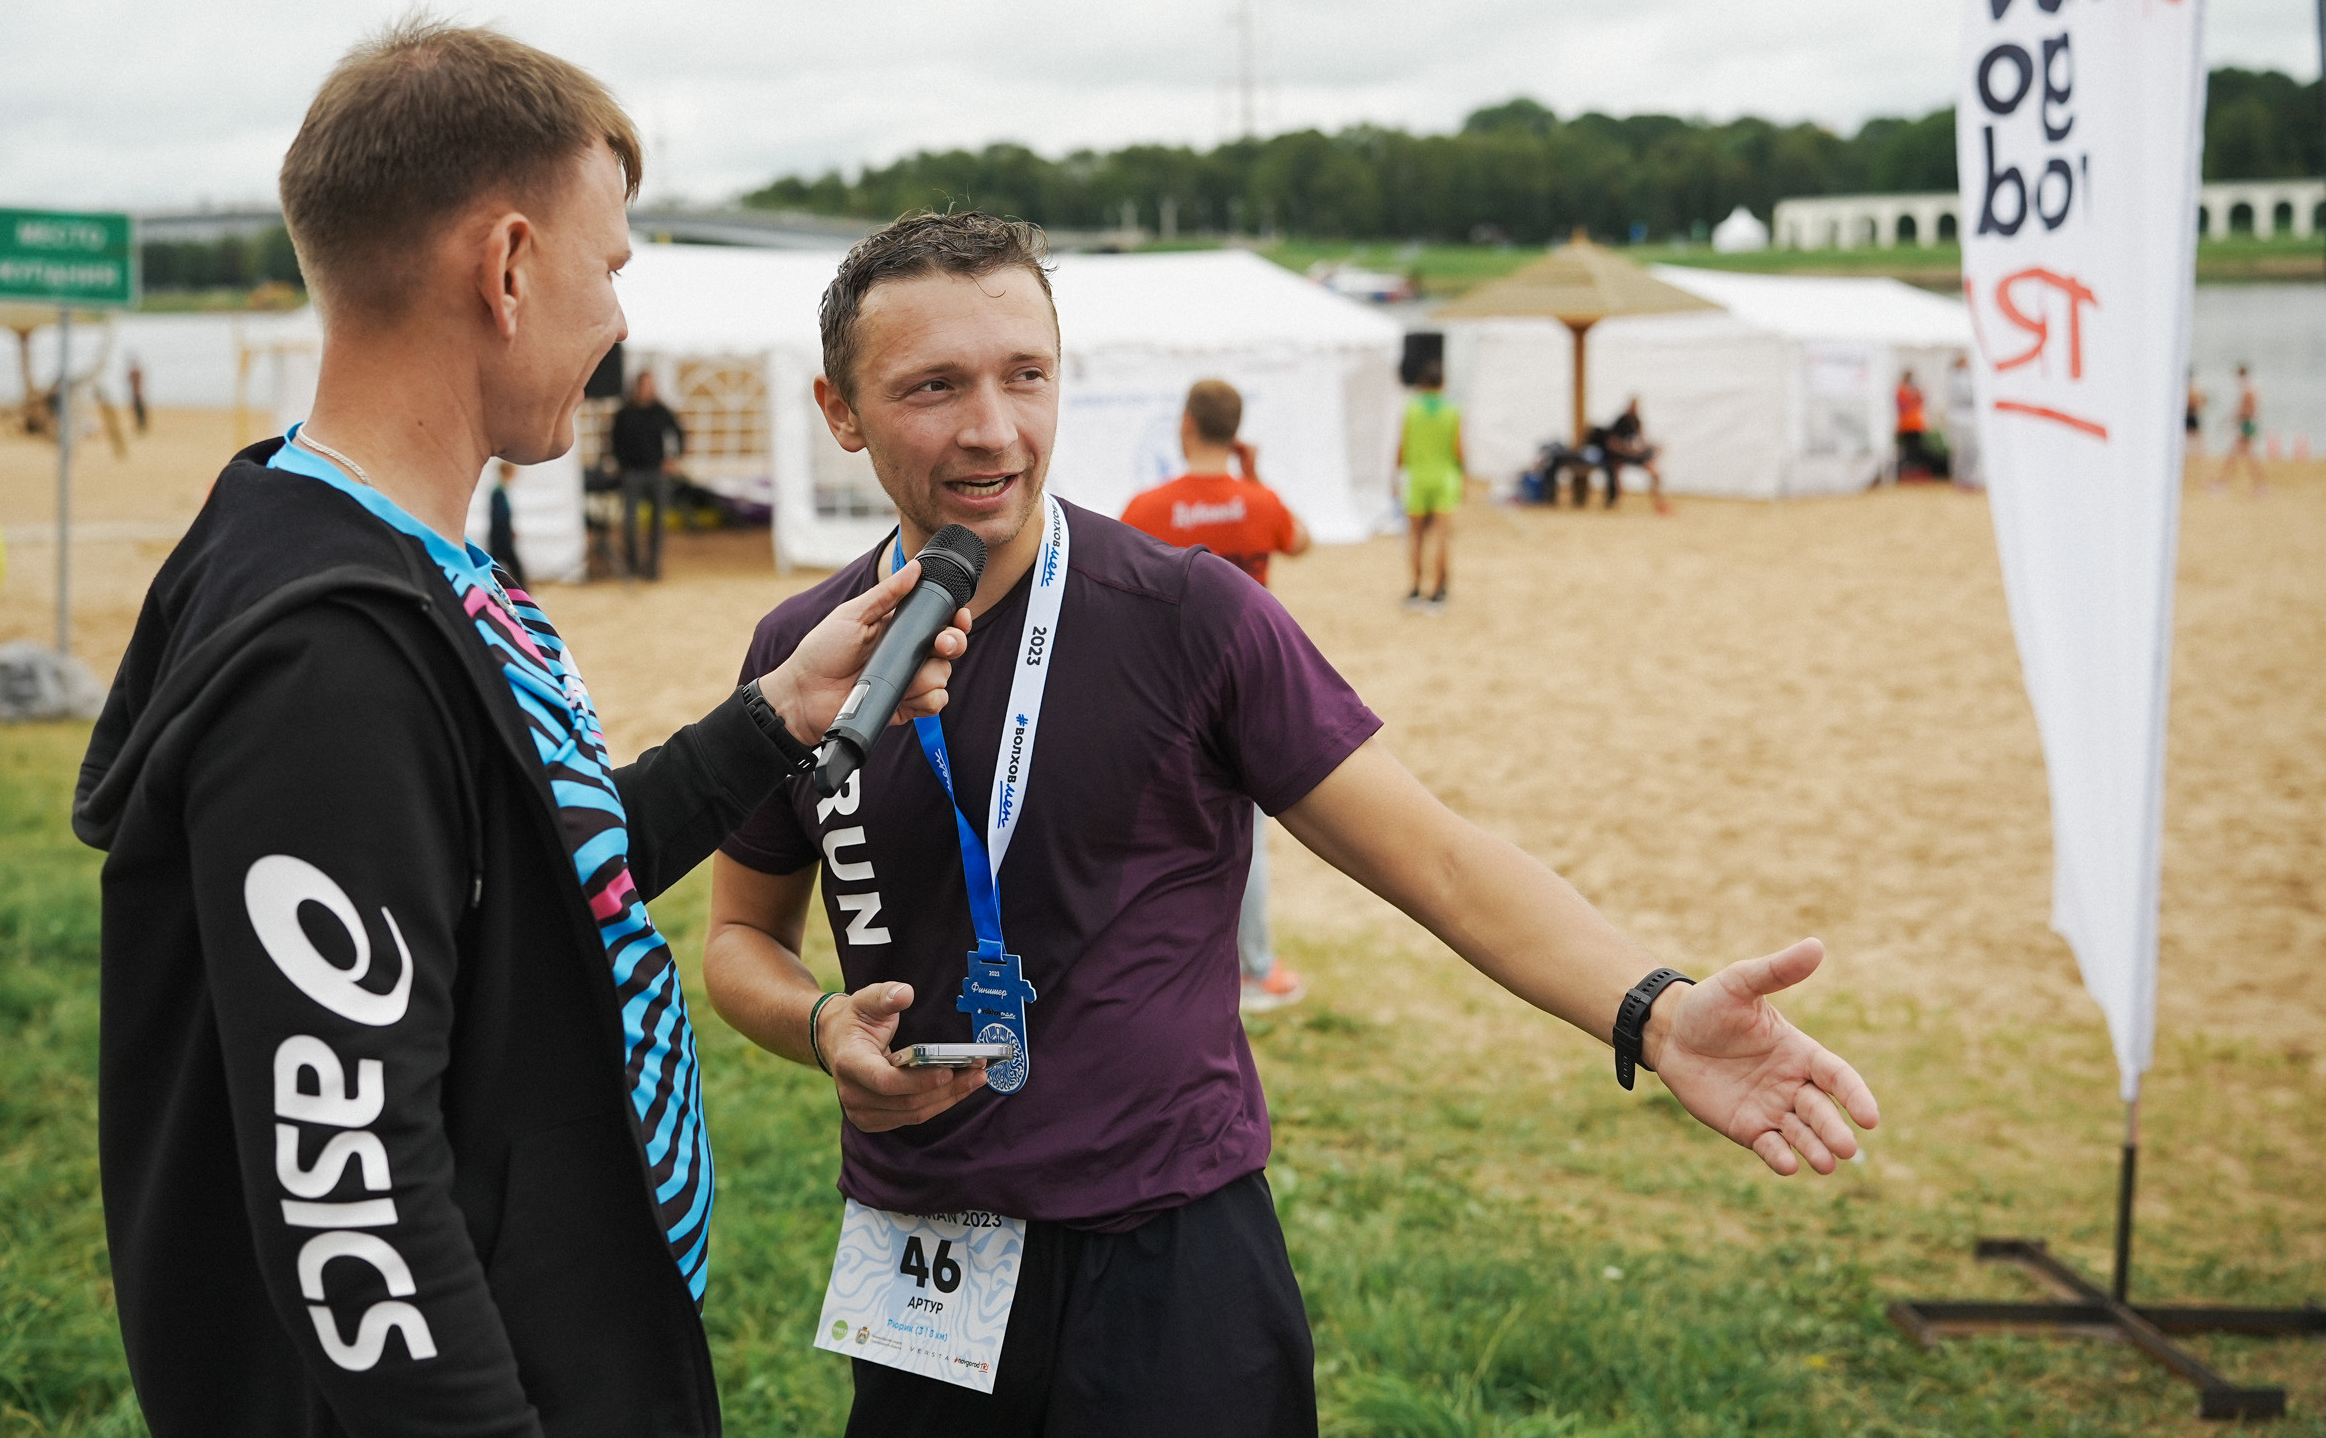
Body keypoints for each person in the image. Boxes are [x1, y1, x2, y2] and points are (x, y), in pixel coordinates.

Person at [704, 211, 1878, 1438]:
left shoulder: (1186, 617)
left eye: (1025, 375)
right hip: (921, 1255)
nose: (993, 428)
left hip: (1169, 1249)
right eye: (934, 386)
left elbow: (1440, 859)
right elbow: (738, 935)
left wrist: (1661, 1009)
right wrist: (818, 1021)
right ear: (843, 410)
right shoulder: (802, 656)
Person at [70, 18, 968, 1437]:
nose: (618, 318)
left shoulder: (376, 552)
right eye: (608, 267)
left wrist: (775, 718)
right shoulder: (327, 660)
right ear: (504, 269)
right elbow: (350, 1191)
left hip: (570, 1313)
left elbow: (531, 870)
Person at [1121, 378, 1312, 1013]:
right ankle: (1256, 967)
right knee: (1246, 836)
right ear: (1235, 433)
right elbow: (1301, 540)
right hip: (1251, 680)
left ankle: (1173, 962)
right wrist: (1253, 476)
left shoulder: (1148, 508)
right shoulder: (1259, 501)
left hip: (1169, 686)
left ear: (1185, 427)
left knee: (1165, 831)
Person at [1396, 358, 1463, 611]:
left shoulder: (1411, 408)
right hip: (1445, 476)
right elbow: (1458, 448)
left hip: (1417, 477)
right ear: (1443, 383)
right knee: (1442, 538)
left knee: (1415, 537)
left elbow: (1401, 446)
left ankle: (1415, 587)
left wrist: (1397, 474)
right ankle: (1438, 590)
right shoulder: (1453, 409)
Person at [611, 368, 681, 578]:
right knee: (630, 524)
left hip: (656, 473)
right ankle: (632, 565)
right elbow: (614, 442)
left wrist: (672, 459)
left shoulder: (662, 411)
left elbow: (678, 434)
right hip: (633, 473)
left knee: (658, 524)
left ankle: (653, 568)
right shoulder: (624, 413)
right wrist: (622, 465)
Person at [1601, 396, 1669, 512]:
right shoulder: (1621, 421)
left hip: (1633, 454)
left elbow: (1642, 440)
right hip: (1620, 456)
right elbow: (1612, 443)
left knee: (1655, 472)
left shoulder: (1636, 421)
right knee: (1615, 475)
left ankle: (1658, 501)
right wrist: (1627, 449)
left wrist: (1652, 448)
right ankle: (1613, 502)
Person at [2212, 363, 2264, 494]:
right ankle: (2223, 482)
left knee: (2238, 455)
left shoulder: (2248, 390)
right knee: (2241, 455)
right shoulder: (2250, 388)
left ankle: (2223, 483)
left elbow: (2247, 411)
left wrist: (2232, 419)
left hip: (2247, 425)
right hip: (2247, 424)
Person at [486, 459, 527, 589]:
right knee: (513, 566)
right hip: (501, 536)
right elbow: (500, 516)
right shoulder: (498, 491)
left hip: (501, 535)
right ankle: (525, 593)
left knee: (495, 565)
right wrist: (507, 532)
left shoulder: (501, 489)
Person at [1895, 371, 1928, 477]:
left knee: (1916, 449)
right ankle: (1909, 471)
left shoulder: (1915, 389)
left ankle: (1916, 470)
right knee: (1908, 450)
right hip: (1906, 425)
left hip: (1916, 424)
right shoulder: (1901, 389)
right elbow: (1902, 405)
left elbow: (1922, 400)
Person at [127, 356, 149, 434]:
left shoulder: (136, 372)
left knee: (139, 411)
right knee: (137, 411)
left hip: (138, 394)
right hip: (136, 394)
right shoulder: (136, 372)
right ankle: (140, 425)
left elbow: (131, 379)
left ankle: (142, 425)